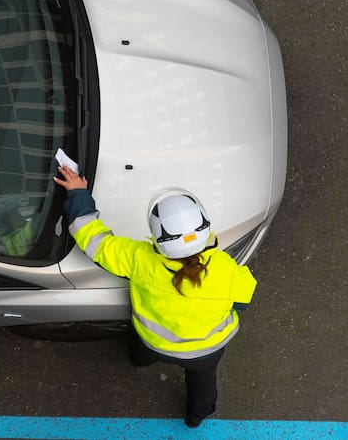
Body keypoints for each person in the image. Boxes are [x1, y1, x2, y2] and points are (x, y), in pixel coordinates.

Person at [53, 166, 257, 428]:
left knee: (142, 350)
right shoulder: (226, 269)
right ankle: (196, 418)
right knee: (203, 386)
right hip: (204, 351)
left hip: (152, 342)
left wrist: (78, 194)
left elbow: (94, 241)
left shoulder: (140, 259)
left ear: (158, 235)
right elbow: (243, 301)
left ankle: (140, 361)